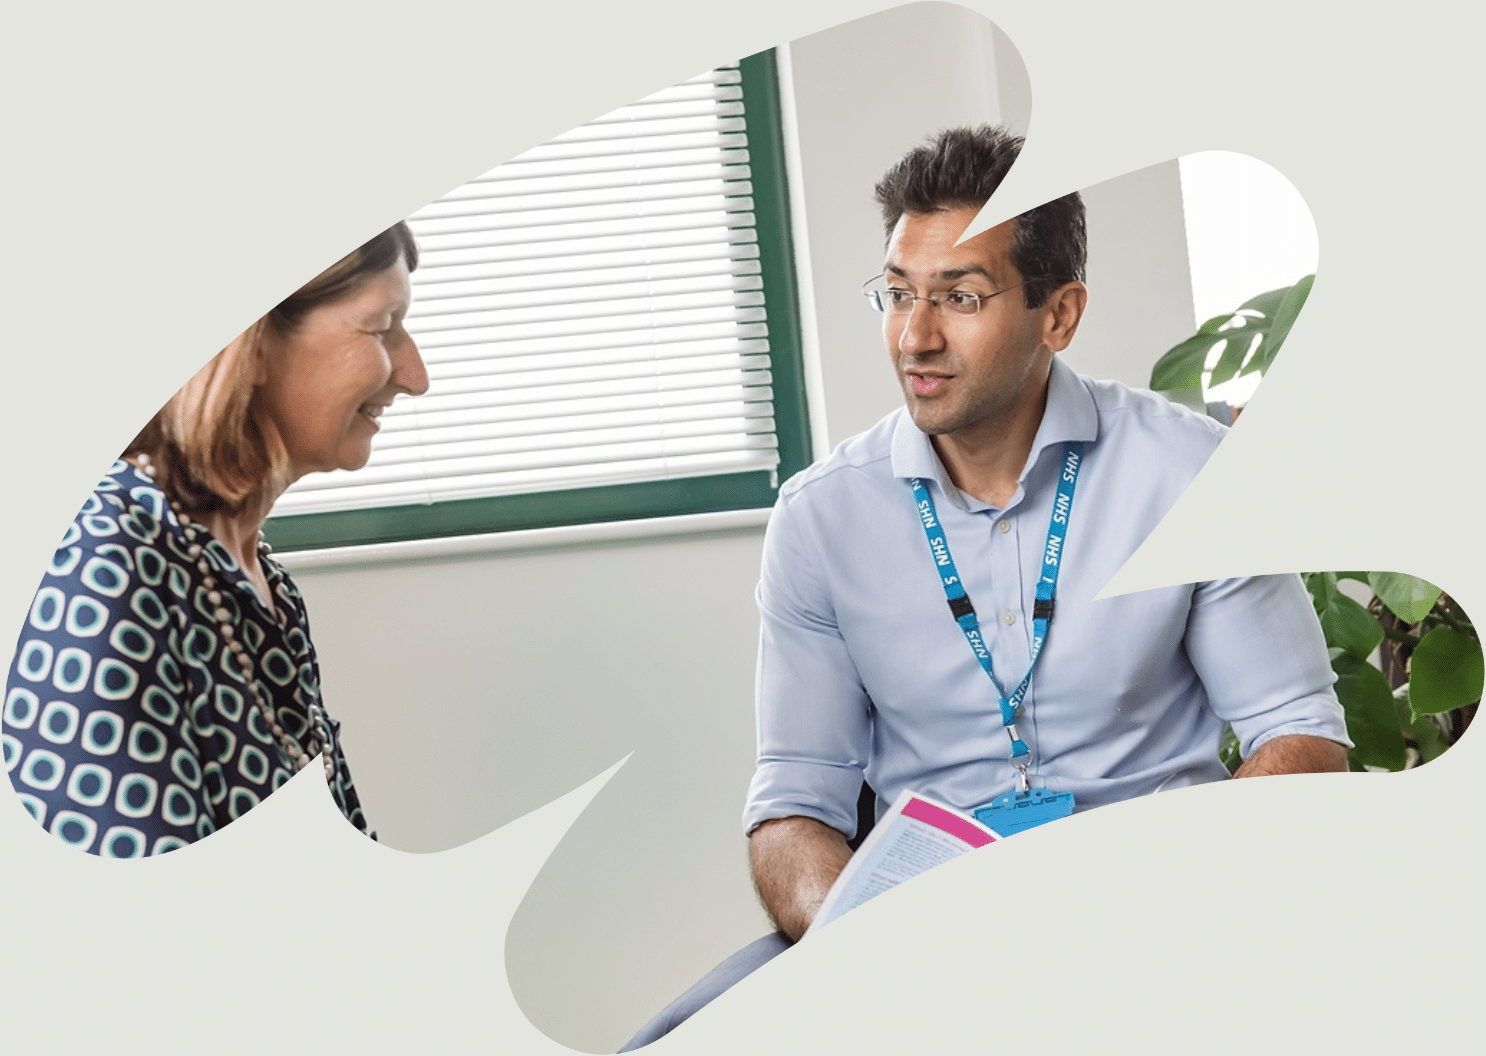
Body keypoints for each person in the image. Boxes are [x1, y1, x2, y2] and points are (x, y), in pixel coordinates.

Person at [619, 126, 1349, 1049]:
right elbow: (795, 802)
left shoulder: (1189, 473)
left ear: (1059, 315)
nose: (915, 335)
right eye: (897, 294)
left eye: (960, 297)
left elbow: (1302, 735)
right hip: (919, 937)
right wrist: (863, 943)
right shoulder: (821, 520)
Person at [3, 223, 429, 857]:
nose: (415, 376)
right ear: (248, 344)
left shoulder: (258, 578)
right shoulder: (105, 568)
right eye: (380, 327)